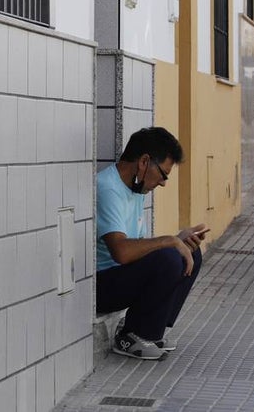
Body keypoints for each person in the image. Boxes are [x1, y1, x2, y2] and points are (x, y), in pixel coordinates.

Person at [95, 126, 209, 360]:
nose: (164, 183)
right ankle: (131, 337)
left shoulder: (134, 190)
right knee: (168, 256)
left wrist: (178, 240)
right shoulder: (108, 188)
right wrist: (168, 242)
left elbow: (141, 248)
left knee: (189, 252)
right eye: (164, 175)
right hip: (100, 285)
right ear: (144, 162)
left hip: (120, 276)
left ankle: (151, 332)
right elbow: (122, 252)